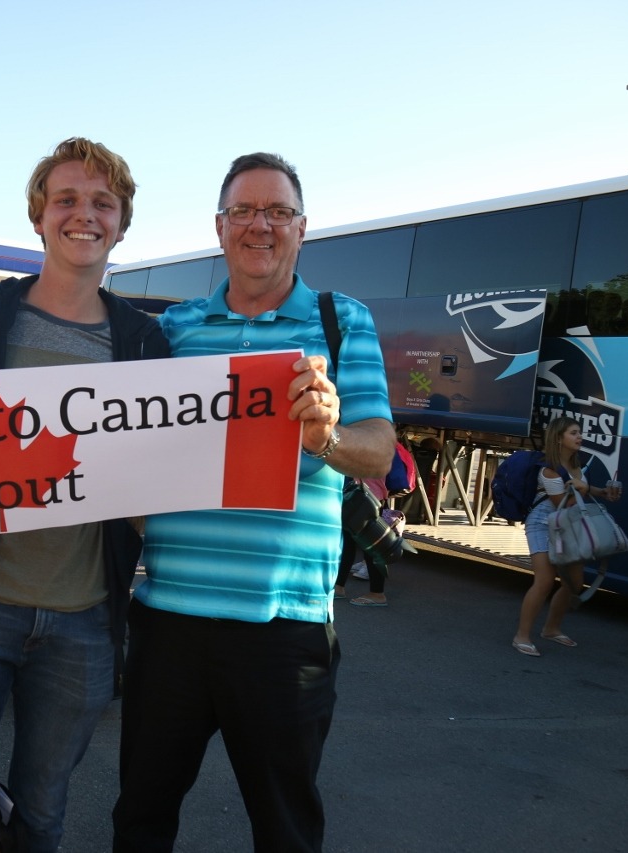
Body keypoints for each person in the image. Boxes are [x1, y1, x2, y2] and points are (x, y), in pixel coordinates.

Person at [112, 152, 395, 853]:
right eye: (243, 211)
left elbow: (380, 450)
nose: (259, 225)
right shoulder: (172, 331)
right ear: (219, 226)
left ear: (303, 228)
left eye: (277, 212)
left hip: (284, 631)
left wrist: (325, 435)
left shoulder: (342, 322)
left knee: (286, 829)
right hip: (168, 624)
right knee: (140, 817)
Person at [0, 138, 169, 853]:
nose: (83, 214)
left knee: (42, 819)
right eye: (66, 199)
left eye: (102, 203)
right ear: (37, 215)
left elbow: (164, 463)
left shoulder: (144, 342)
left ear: (121, 224)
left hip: (84, 620)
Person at [511, 415, 621, 656]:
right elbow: (563, 501)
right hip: (542, 524)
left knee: (574, 582)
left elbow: (579, 491)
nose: (579, 436)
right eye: (573, 433)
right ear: (559, 438)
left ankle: (551, 629)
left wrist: (602, 492)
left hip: (568, 525)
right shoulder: (549, 470)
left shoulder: (576, 464)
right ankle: (522, 636)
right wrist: (580, 488)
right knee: (544, 581)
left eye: (579, 432)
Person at [334, 475, 390, 606]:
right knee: (347, 542)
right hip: (361, 493)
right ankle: (338, 586)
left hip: (368, 495)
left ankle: (377, 593)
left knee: (371, 546)